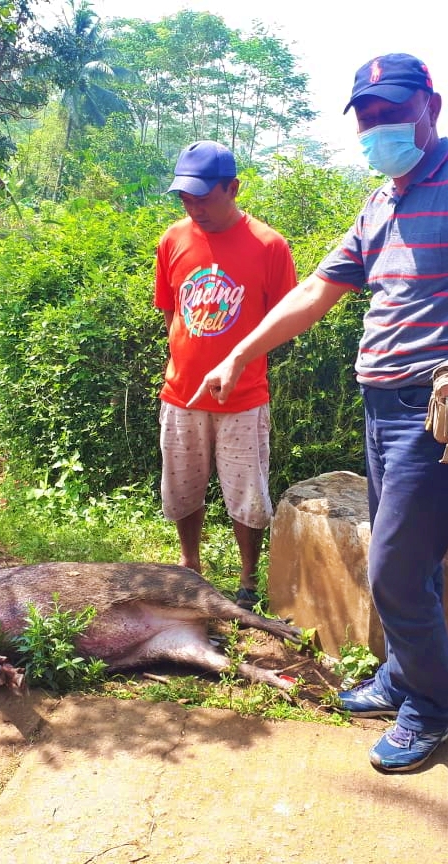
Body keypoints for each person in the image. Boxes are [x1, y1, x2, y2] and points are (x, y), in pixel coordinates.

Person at [188, 54, 448, 773]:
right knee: (410, 562)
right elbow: (315, 291)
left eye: (391, 111)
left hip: (435, 420)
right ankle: (402, 680)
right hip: (384, 410)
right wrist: (240, 353)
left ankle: (428, 711)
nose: (378, 127)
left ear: (430, 107)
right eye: (367, 117)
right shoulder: (382, 202)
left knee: (394, 571)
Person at [155, 140, 298, 610]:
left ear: (233, 188)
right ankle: (190, 565)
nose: (194, 208)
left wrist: (238, 361)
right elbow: (169, 312)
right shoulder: (173, 240)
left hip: (244, 397)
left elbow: (284, 321)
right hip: (181, 395)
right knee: (182, 486)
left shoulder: (269, 246)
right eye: (185, 199)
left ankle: (248, 578)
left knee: (248, 494)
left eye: (204, 197)